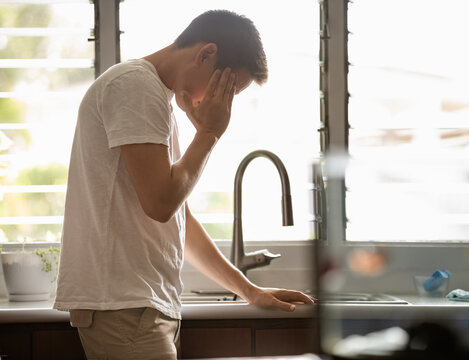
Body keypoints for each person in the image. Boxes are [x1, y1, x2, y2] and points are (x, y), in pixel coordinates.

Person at [53, 9, 314, 360]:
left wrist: (249, 290)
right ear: (205, 55)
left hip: (140, 308)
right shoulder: (135, 86)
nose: (224, 103)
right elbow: (160, 204)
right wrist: (208, 134)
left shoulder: (153, 97)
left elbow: (179, 220)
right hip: (126, 308)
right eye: (228, 89)